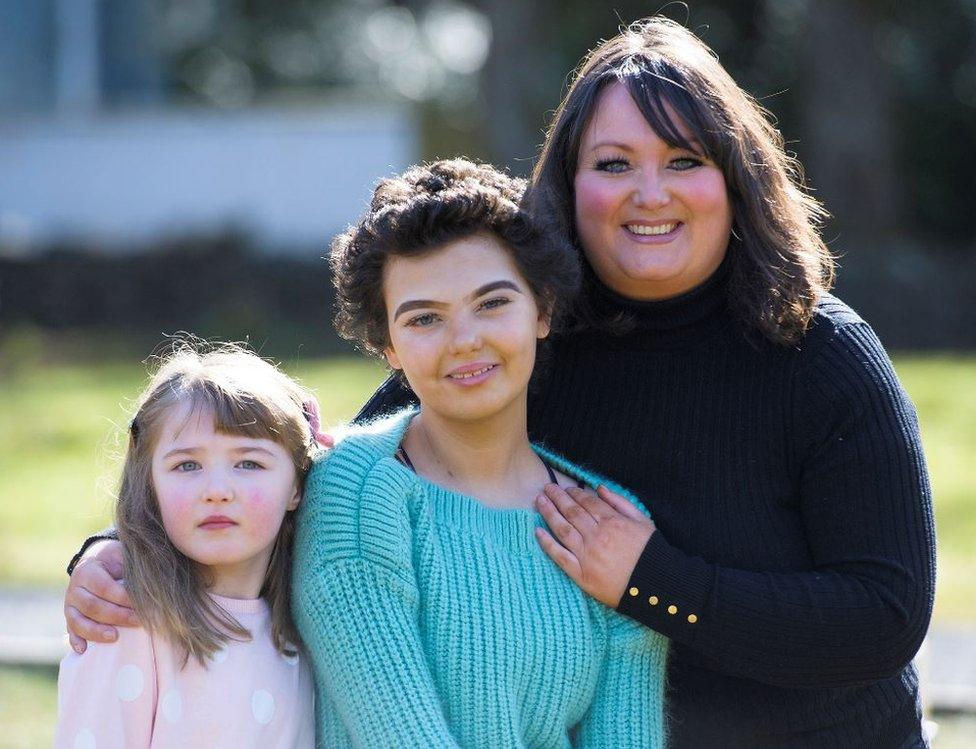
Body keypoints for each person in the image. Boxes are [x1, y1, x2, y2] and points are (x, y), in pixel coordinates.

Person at [63, 16, 935, 748]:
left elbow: (885, 614)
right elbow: (314, 473)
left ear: (735, 179)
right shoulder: (522, 332)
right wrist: (120, 547)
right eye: (613, 163)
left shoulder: (819, 354)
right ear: (568, 183)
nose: (649, 192)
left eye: (684, 160)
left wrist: (652, 579)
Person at [293, 158, 667, 745]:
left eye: (492, 303)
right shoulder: (360, 493)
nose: (465, 340)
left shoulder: (603, 520)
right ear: (387, 346)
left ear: (541, 310)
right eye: (424, 319)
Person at [55, 343, 315, 747]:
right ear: (150, 484)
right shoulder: (127, 621)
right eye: (186, 465)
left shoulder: (306, 626)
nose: (216, 490)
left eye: (249, 463)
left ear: (296, 485)